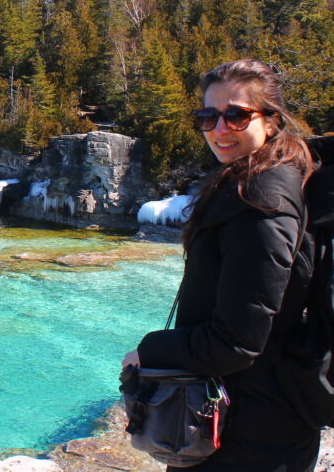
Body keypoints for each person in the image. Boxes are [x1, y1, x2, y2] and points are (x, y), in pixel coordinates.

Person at [121, 59, 322, 471]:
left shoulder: (262, 204)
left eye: (236, 115)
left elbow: (236, 341)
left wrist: (148, 350)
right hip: (248, 415)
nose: (220, 129)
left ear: (270, 121)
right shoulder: (252, 183)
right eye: (208, 117)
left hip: (251, 435)